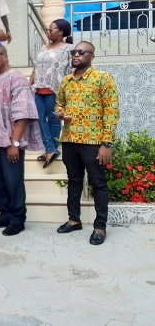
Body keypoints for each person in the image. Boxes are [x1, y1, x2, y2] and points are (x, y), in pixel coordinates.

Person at [55, 41, 119, 246]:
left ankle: (100, 227)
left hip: (93, 142)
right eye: (74, 52)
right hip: (70, 140)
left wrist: (106, 143)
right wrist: (61, 114)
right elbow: (59, 104)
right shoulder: (66, 81)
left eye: (81, 52)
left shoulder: (103, 79)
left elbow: (111, 111)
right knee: (73, 181)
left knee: (98, 184)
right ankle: (74, 220)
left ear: (92, 56)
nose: (76, 55)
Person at [0, 45, 43, 236]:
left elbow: (23, 112)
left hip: (9, 142)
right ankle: (5, 214)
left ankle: (18, 219)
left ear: (5, 57)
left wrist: (15, 143)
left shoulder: (16, 79)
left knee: (13, 181)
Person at [29, 19, 74, 168]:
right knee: (38, 119)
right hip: (39, 88)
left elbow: (73, 70)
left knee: (53, 120)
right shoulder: (43, 48)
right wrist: (30, 82)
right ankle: (51, 149)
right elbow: (36, 68)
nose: (48, 32)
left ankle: (50, 150)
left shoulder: (69, 48)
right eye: (48, 30)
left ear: (61, 32)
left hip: (55, 89)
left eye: (51, 30)